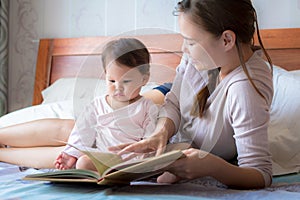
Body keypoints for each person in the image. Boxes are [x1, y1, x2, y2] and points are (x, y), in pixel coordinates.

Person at [109, 0, 273, 189]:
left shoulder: (244, 90)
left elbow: (260, 173)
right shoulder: (202, 58)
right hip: (177, 99)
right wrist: (161, 132)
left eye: (191, 42)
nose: (184, 49)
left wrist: (212, 167)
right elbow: (174, 102)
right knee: (112, 112)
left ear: (227, 40)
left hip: (192, 118)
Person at [0, 38, 171, 169]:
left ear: (144, 79)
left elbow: (151, 136)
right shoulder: (98, 105)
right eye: (111, 80)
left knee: (79, 156)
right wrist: (71, 153)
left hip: (127, 156)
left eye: (126, 81)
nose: (117, 87)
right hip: (100, 145)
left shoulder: (148, 106)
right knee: (73, 138)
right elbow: (82, 131)